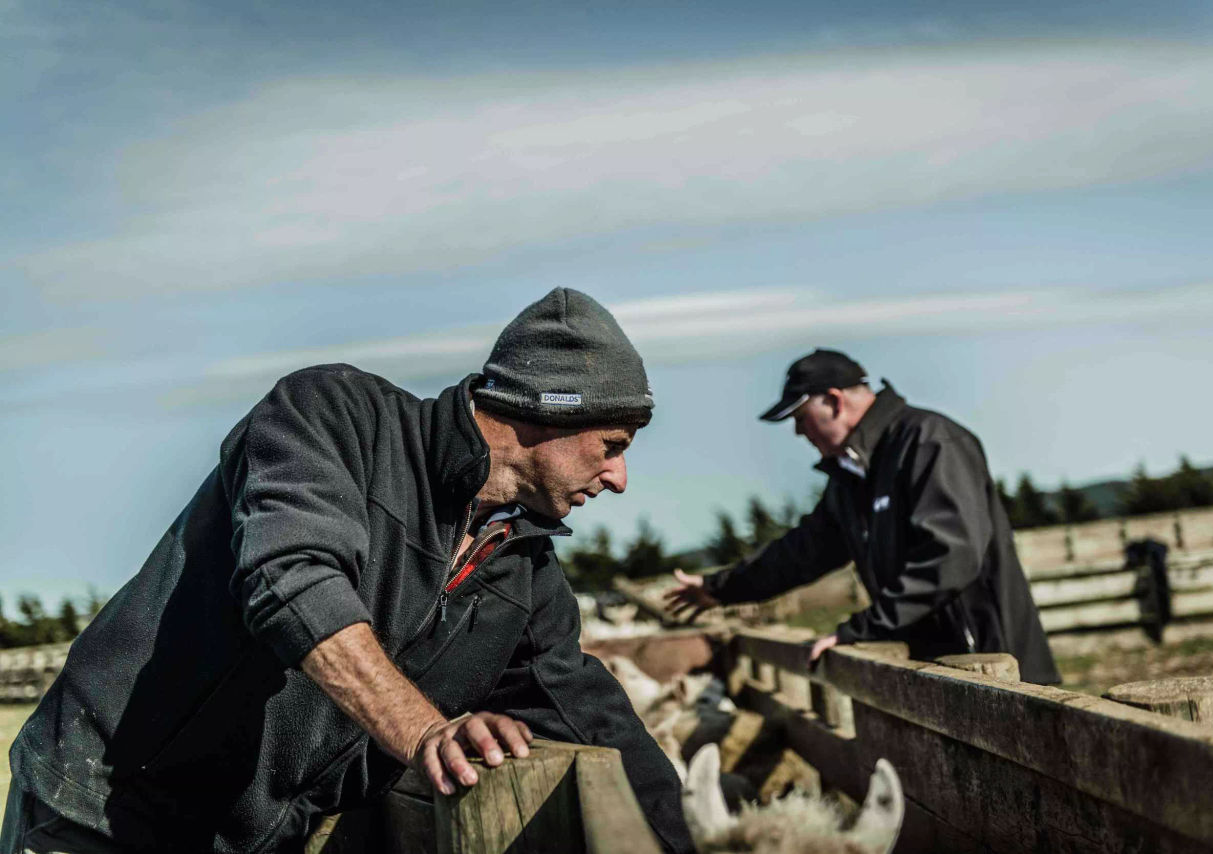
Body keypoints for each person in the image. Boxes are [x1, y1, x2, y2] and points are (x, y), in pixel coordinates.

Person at [3, 289, 695, 854]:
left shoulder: (522, 573)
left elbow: (594, 723)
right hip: (100, 810)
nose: (619, 477)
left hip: (249, 844)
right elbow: (292, 579)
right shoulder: (334, 419)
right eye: (612, 446)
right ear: (554, 408)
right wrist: (425, 732)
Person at [665, 348, 1060, 685]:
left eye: (801, 418)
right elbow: (803, 552)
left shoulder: (929, 443)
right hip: (937, 667)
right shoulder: (854, 477)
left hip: (995, 663)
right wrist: (721, 588)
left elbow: (951, 555)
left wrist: (862, 630)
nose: (799, 434)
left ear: (835, 401)